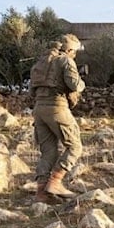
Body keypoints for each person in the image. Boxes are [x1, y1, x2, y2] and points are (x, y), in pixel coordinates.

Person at [29, 33, 86, 202]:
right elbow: (74, 85)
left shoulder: (40, 64)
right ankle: (55, 182)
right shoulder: (66, 61)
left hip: (39, 109)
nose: (74, 55)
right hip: (57, 107)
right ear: (69, 49)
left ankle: (41, 192)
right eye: (74, 52)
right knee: (75, 146)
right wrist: (82, 82)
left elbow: (32, 91)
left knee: (48, 151)